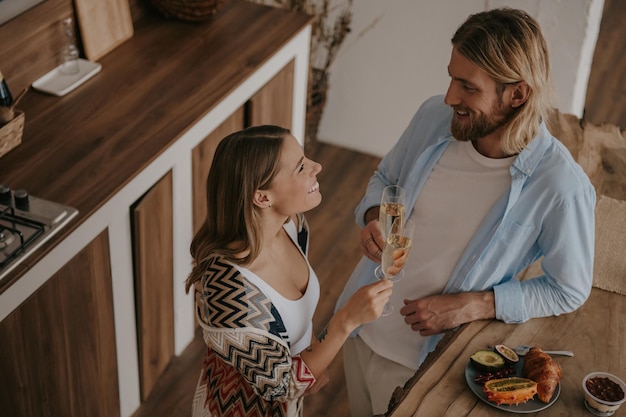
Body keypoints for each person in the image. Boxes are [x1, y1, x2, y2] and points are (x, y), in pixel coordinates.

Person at [335, 8, 596, 416]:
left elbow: (569, 288)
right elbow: (386, 176)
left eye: (467, 87)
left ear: (517, 94)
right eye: (452, 77)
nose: (449, 97)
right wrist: (372, 215)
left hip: (425, 367)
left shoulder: (561, 187)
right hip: (358, 327)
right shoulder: (433, 118)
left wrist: (475, 304)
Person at [185, 125, 392, 417]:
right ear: (262, 197)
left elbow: (292, 363)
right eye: (301, 167)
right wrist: (345, 321)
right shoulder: (226, 291)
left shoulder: (292, 225)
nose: (317, 166)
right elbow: (281, 386)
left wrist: (315, 359)